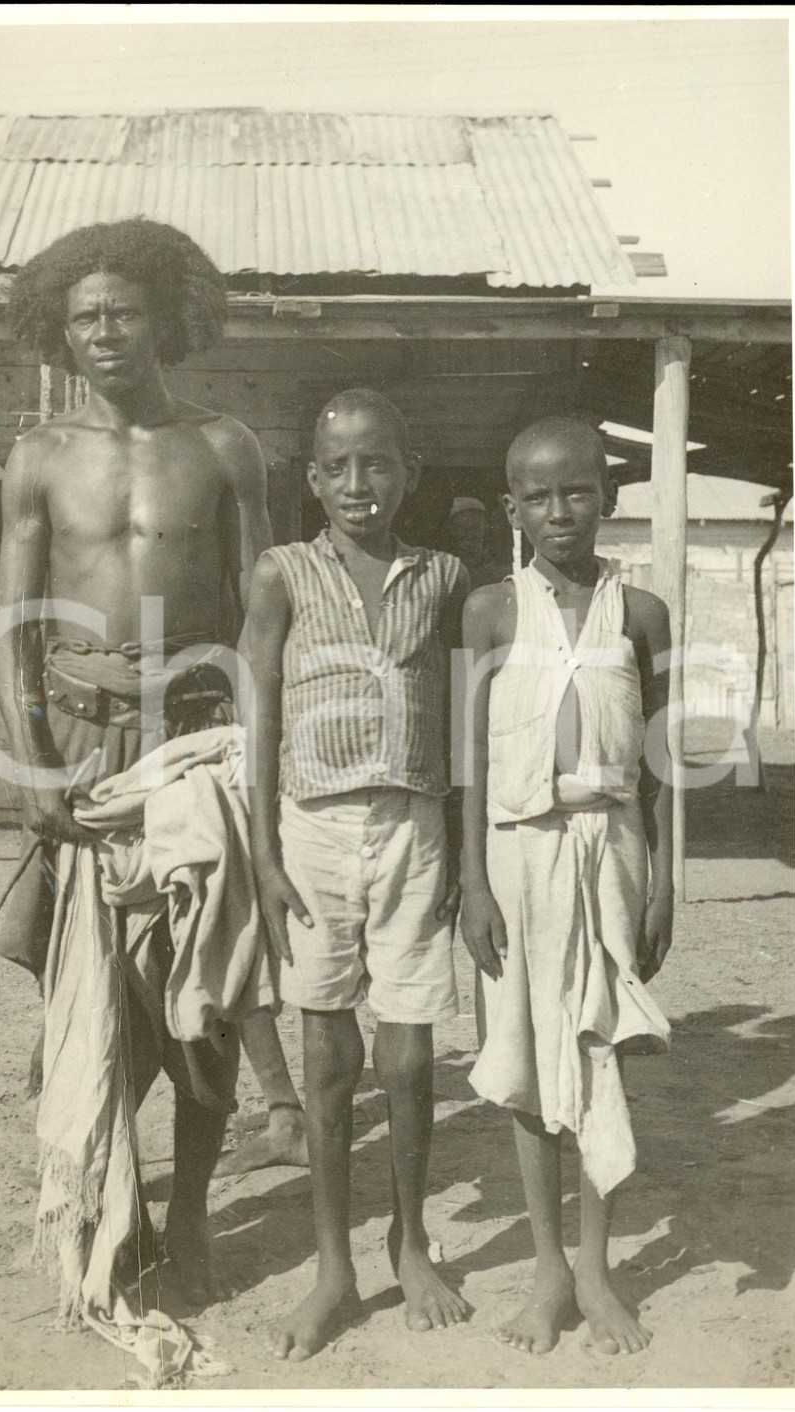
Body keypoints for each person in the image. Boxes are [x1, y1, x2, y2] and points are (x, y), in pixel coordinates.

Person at [0, 217, 299, 1312]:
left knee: (203, 989)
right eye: (85, 318)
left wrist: (258, 767)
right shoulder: (38, 457)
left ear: (165, 320)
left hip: (196, 742)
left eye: (124, 312)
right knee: (96, 994)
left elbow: (264, 621)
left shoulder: (224, 447)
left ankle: (194, 1213)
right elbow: (15, 625)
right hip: (80, 746)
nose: (106, 332)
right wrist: (34, 770)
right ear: (60, 332)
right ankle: (111, 1207)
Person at [245, 387, 471, 1361]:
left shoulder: (444, 575)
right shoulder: (282, 573)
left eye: (375, 462)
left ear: (409, 472)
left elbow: (462, 713)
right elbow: (257, 708)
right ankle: (333, 1268)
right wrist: (262, 849)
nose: (356, 483)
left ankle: (409, 1241)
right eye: (335, 466)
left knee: (409, 1055)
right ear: (311, 479)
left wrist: (461, 840)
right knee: (329, 1053)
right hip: (312, 829)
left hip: (415, 822)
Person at [459, 417, 674, 1357]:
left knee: (597, 1046)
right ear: (512, 509)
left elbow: (662, 764)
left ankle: (595, 1265)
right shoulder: (490, 611)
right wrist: (472, 881)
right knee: (524, 1052)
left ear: (609, 498)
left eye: (578, 491)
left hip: (613, 849)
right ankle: (548, 1267)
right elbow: (470, 763)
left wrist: (666, 883)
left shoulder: (643, 613)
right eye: (538, 497)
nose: (560, 511)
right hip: (518, 856)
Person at [449, 495, 510, 588]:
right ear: (452, 530)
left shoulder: (499, 562)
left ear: (485, 527)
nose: (469, 534)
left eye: (475, 527)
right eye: (462, 527)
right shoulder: (449, 566)